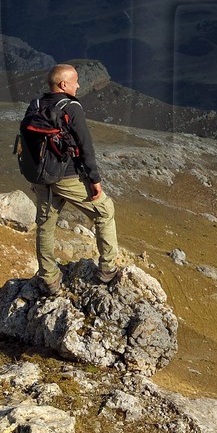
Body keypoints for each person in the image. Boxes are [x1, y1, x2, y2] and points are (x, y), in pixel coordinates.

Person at [31, 63, 125, 295]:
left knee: (45, 225)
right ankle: (107, 269)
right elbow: (85, 146)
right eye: (75, 81)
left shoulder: (35, 105)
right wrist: (94, 179)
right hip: (67, 176)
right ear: (64, 84)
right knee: (105, 210)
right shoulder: (71, 107)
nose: (79, 84)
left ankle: (50, 279)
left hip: (41, 177)